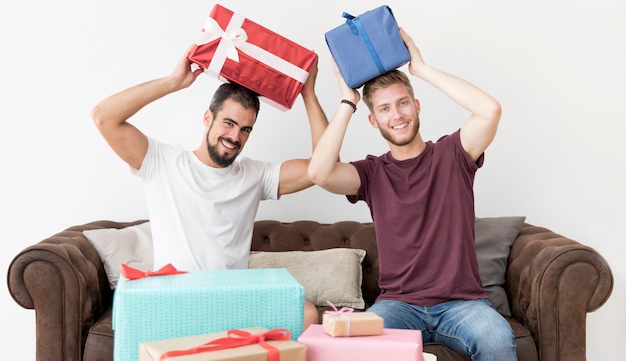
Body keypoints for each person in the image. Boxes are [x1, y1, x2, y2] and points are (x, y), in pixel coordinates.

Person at [307, 28, 517, 360]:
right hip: (398, 306)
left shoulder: (453, 154)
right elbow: (319, 172)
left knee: (497, 340)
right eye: (385, 109)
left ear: (416, 106)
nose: (398, 115)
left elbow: (490, 110)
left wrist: (420, 68)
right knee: (355, 348)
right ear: (374, 121)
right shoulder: (372, 173)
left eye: (403, 103)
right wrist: (349, 101)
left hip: (462, 303)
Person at [91, 46, 329, 329]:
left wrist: (308, 94)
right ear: (208, 118)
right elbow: (103, 116)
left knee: (308, 313)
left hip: (232, 298)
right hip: (179, 299)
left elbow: (324, 167)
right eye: (228, 123)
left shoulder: (256, 175)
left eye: (245, 129)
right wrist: (173, 82)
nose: (234, 136)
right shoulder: (162, 162)